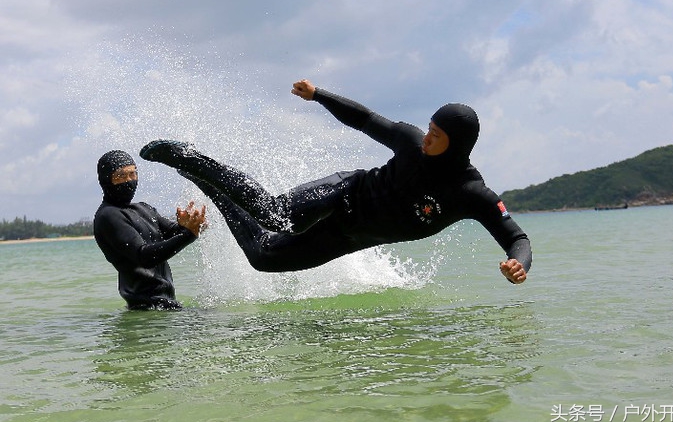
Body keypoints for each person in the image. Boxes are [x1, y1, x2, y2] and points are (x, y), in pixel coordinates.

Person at [139, 79, 531, 284]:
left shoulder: (471, 193)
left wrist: (519, 263)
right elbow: (365, 119)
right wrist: (318, 95)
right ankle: (193, 157)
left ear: (457, 144)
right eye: (429, 129)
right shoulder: (411, 143)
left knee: (264, 257)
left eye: (437, 135)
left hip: (349, 238)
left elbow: (516, 237)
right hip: (345, 193)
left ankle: (206, 181)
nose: (427, 138)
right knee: (275, 215)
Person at [93, 150, 207, 310]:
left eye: (133, 174)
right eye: (121, 176)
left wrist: (189, 225)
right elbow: (144, 256)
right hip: (144, 311)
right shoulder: (108, 216)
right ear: (106, 180)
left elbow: (174, 233)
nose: (129, 181)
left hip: (164, 307)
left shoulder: (144, 209)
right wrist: (189, 235)